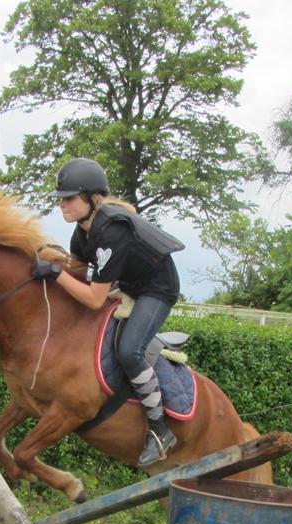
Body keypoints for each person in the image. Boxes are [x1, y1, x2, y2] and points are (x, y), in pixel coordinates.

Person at [33, 158, 184, 467]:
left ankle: (160, 430)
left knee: (130, 350)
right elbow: (77, 277)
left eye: (69, 198)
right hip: (129, 283)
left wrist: (55, 273)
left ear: (92, 198)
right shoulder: (81, 233)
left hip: (157, 289)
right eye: (61, 198)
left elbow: (91, 298)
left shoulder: (111, 230)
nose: (62, 204)